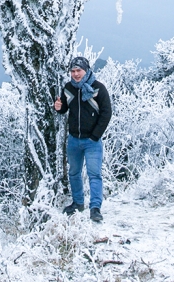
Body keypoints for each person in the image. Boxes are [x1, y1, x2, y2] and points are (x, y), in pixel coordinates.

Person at [54, 55, 112, 223]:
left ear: (86, 70)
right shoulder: (68, 88)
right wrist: (59, 107)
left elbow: (106, 113)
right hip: (74, 140)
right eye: (72, 71)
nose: (75, 74)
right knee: (74, 173)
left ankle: (95, 208)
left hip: (91, 141)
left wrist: (95, 135)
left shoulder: (98, 88)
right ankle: (78, 203)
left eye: (78, 70)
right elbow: (64, 108)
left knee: (94, 174)